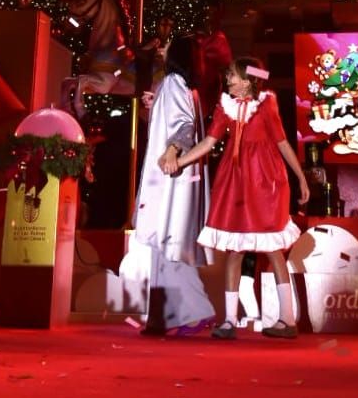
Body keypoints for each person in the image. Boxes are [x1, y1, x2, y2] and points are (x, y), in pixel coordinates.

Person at [168, 57, 309, 341]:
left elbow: (282, 142)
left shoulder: (267, 103)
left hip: (266, 182)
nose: (228, 80)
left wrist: (301, 177)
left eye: (233, 76)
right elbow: (208, 142)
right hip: (235, 182)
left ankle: (287, 319)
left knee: (272, 249)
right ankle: (230, 320)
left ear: (246, 81)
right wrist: (181, 161)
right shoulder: (225, 106)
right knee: (234, 250)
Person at [120, 35, 214, 337]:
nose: (161, 48)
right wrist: (156, 102)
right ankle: (173, 315)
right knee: (168, 248)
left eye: (167, 45)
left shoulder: (174, 81)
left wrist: (173, 150)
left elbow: (183, 125)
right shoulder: (184, 86)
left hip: (170, 178)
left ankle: (179, 315)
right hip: (178, 177)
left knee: (166, 243)